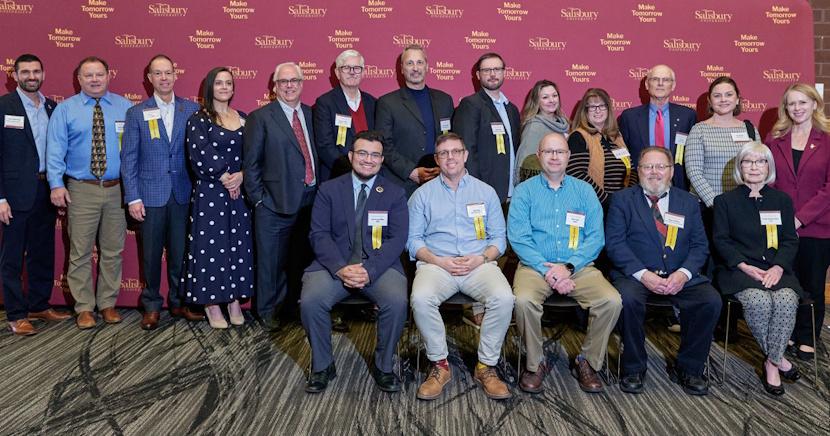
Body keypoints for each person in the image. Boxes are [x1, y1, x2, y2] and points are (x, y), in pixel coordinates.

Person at [509, 132, 621, 394]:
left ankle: (587, 361)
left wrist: (568, 267)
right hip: (535, 267)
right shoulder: (524, 192)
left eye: (560, 151)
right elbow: (519, 238)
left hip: (578, 267)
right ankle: (535, 364)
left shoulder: (584, 191)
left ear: (569, 156)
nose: (555, 157)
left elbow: (596, 237)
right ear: (539, 156)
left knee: (611, 300)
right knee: (523, 301)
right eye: (549, 152)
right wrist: (548, 270)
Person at [605, 146, 721, 396]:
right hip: (637, 275)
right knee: (626, 300)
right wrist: (643, 275)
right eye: (648, 166)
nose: (654, 172)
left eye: (661, 167)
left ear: (671, 171)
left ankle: (689, 368)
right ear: (638, 171)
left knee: (710, 301)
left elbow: (700, 245)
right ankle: (634, 367)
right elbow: (615, 244)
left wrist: (683, 274)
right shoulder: (622, 200)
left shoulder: (688, 202)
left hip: (680, 274)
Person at [408, 133, 513, 401]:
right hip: (437, 264)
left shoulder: (486, 192)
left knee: (504, 298)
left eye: (456, 151)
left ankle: (485, 366)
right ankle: (440, 365)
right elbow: (412, 240)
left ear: (465, 155)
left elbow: (499, 239)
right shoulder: (421, 195)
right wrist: (437, 260)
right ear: (437, 159)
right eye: (444, 153)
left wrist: (482, 258)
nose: (450, 157)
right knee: (420, 298)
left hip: (478, 264)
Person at [300, 130, 408, 393]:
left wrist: (369, 270)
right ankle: (322, 366)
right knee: (311, 301)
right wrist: (340, 268)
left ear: (382, 160)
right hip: (334, 265)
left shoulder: (394, 193)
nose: (368, 160)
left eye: (374, 155)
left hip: (379, 267)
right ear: (351, 156)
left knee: (396, 301)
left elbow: (398, 238)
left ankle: (384, 366)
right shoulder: (329, 190)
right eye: (362, 153)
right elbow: (319, 234)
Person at [46, 56, 133, 330]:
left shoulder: (125, 107)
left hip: (117, 189)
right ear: (79, 79)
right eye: (88, 75)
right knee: (80, 251)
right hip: (80, 189)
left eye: (99, 74)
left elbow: (133, 151)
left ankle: (107, 304)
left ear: (109, 76)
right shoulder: (65, 110)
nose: (95, 80)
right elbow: (55, 150)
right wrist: (56, 184)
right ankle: (84, 307)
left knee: (113, 250)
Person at [121, 54, 203, 330]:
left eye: (168, 72)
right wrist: (132, 196)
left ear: (175, 75)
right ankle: (152, 305)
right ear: (149, 78)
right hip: (150, 195)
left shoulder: (191, 110)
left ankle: (179, 302)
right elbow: (129, 159)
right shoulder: (136, 113)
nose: (164, 78)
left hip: (183, 195)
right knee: (151, 255)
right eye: (158, 73)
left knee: (181, 253)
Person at [713, 141, 802, 396]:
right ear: (739, 167)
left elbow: (789, 240)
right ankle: (778, 361)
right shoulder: (725, 201)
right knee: (759, 301)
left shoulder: (782, 200)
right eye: (748, 161)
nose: (754, 167)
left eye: (760, 161)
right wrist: (744, 266)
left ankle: (771, 361)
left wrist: (778, 267)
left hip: (776, 270)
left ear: (769, 167)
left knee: (786, 299)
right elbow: (721, 240)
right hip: (739, 271)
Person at [243, 62, 318, 331]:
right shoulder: (260, 117)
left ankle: (292, 308)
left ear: (302, 83)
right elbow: (251, 164)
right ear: (274, 86)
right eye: (283, 81)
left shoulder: (311, 114)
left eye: (294, 81)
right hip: (273, 203)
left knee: (300, 260)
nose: (289, 86)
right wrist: (259, 200)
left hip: (310, 201)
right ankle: (267, 311)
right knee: (271, 263)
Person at [0, 54, 69, 335]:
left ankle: (39, 304)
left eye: (36, 71)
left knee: (42, 251)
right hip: (14, 194)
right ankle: (16, 314)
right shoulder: (4, 106)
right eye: (25, 71)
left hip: (46, 190)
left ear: (43, 73)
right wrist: (0, 198)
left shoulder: (53, 107)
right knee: (12, 256)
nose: (31, 76)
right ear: (14, 75)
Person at [182, 67, 253, 329]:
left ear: (234, 88)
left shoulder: (244, 118)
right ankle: (212, 304)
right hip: (211, 192)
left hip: (239, 194)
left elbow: (254, 153)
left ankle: (233, 299)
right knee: (211, 248)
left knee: (237, 245)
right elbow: (200, 152)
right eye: (219, 83)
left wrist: (242, 176)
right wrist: (226, 177)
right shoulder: (198, 119)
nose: (224, 87)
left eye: (229, 83)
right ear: (210, 87)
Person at [767, 83, 830, 362]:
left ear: (815, 104)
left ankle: (808, 337)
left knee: (813, 285)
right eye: (792, 104)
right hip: (779, 226)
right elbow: (767, 179)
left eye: (803, 102)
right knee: (786, 283)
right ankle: (787, 332)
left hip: (817, 227)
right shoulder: (775, 137)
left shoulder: (827, 138)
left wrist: (800, 218)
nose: (797, 108)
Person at [376, 44, 454, 196]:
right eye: (409, 63)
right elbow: (384, 145)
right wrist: (410, 171)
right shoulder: (387, 103)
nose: (415, 68)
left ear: (427, 66)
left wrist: (444, 166)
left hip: (440, 181)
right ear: (401, 68)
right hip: (403, 184)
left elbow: (450, 139)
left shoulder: (445, 100)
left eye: (419, 62)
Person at [452, 52, 521, 204]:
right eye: (486, 70)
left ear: (504, 72)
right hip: (483, 193)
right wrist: (475, 188)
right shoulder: (470, 105)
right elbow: (466, 150)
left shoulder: (512, 109)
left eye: (497, 69)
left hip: (511, 194)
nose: (492, 74)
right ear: (478, 75)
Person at [685, 76, 760, 209]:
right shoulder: (699, 130)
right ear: (710, 100)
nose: (723, 99)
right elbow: (694, 172)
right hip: (708, 207)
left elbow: (759, 168)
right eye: (717, 95)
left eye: (729, 95)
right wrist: (717, 204)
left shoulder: (750, 130)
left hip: (743, 206)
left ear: (737, 99)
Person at [618, 64, 697, 190]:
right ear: (646, 85)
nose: (660, 84)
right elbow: (623, 155)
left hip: (678, 186)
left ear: (673, 85)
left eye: (666, 80)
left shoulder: (688, 116)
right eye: (655, 79)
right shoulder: (629, 117)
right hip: (639, 187)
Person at [313, 49, 376, 182]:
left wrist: (368, 170)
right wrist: (355, 171)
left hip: (371, 177)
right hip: (338, 177)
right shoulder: (325, 103)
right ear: (337, 73)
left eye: (357, 68)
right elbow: (325, 146)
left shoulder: (373, 103)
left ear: (363, 72)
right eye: (346, 68)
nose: (352, 72)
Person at [567, 88, 636, 207]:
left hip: (621, 205)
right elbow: (576, 174)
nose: (598, 110)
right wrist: (607, 200)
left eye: (602, 106)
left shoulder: (616, 137)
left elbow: (632, 169)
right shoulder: (578, 137)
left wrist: (627, 196)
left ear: (608, 109)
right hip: (594, 206)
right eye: (592, 107)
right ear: (585, 111)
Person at [515, 79, 569, 183]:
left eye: (554, 95)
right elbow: (526, 165)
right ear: (537, 101)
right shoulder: (534, 127)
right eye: (545, 97)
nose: (551, 100)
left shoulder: (563, 123)